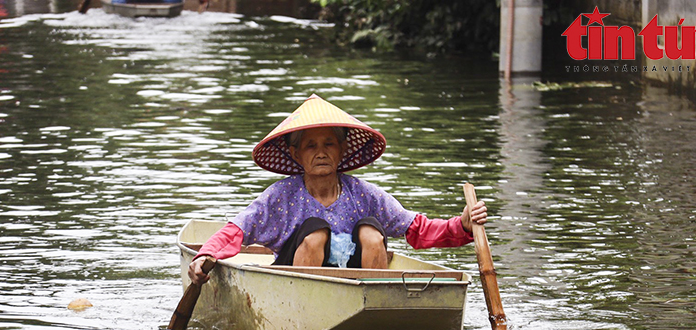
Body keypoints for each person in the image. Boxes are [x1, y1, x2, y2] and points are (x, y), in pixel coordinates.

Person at [188, 94, 487, 285]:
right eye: (310, 146)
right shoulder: (281, 196)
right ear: (296, 155)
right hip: (296, 284)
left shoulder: (365, 194)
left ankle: (376, 307)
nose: (320, 152)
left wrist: (461, 225)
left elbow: (416, 229)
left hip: (358, 286)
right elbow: (237, 231)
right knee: (316, 232)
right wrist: (205, 255)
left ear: (342, 150)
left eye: (329, 144)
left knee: (372, 233)